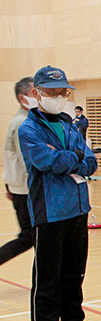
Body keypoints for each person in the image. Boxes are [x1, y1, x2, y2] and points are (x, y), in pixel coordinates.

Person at [18, 65, 101, 321]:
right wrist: (74, 159)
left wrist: (74, 159)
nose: (59, 97)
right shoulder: (29, 129)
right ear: (37, 94)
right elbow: (47, 161)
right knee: (48, 277)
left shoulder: (70, 125)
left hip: (78, 208)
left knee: (73, 273)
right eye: (52, 92)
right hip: (50, 211)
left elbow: (90, 161)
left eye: (63, 92)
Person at [0, 77, 36, 266]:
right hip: (26, 190)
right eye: (34, 93)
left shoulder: (21, 121)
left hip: (19, 188)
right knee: (29, 237)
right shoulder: (22, 123)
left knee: (34, 237)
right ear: (23, 98)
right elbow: (25, 161)